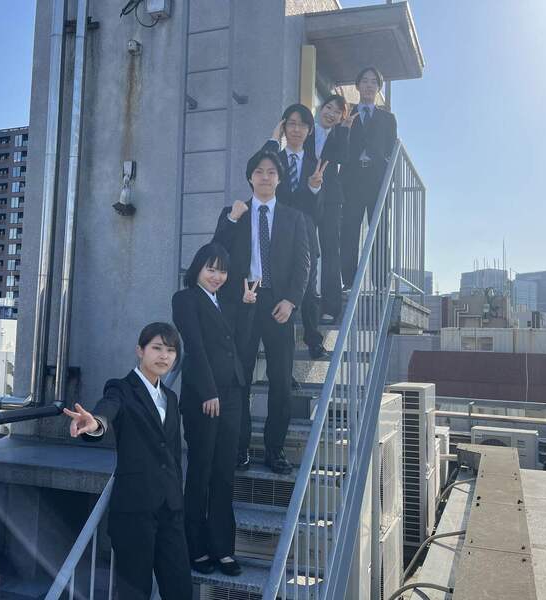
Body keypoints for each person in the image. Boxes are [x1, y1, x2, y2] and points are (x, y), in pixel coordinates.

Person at [63, 323, 191, 600]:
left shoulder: (170, 397)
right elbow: (108, 410)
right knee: (134, 591)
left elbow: (170, 453)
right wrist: (95, 423)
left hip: (170, 509)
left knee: (180, 588)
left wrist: (177, 501)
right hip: (135, 510)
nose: (164, 356)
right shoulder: (121, 388)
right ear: (140, 351)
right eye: (157, 348)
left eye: (171, 351)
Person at [213, 150, 310, 474]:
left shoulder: (294, 218)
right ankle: (239, 448)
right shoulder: (234, 213)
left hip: (278, 304)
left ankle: (274, 450)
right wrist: (231, 220)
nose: (265, 177)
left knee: (281, 380)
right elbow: (216, 253)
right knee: (239, 379)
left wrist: (291, 301)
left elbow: (303, 265)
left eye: (271, 172)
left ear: (279, 179)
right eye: (259, 171)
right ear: (250, 177)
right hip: (243, 301)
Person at [172, 242, 245, 577]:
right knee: (201, 472)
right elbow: (195, 346)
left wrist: (249, 305)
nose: (217, 276)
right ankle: (196, 548)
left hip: (232, 394)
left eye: (222, 271)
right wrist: (208, 390)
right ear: (198, 268)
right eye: (211, 269)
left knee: (224, 473)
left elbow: (235, 340)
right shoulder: (185, 298)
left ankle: (223, 549)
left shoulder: (224, 301)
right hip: (204, 396)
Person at [260, 104, 329, 359]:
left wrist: (313, 188)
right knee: (277, 288)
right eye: (291, 123)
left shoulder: (315, 164)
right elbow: (255, 173)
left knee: (309, 289)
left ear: (310, 130)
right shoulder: (273, 159)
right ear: (284, 127)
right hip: (276, 232)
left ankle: (314, 340)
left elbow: (319, 212)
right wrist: (272, 139)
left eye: (302, 124)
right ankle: (277, 346)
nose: (296, 129)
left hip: (306, 234)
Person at [341, 66, 398, 289]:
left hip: (377, 180)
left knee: (379, 232)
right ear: (357, 86)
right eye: (365, 80)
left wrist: (389, 178)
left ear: (378, 88)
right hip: (351, 179)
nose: (369, 85)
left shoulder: (388, 118)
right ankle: (349, 282)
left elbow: (392, 150)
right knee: (349, 230)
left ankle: (381, 283)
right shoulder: (347, 113)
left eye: (374, 82)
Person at [305, 95, 357, 322]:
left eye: (337, 112)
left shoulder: (338, 135)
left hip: (332, 198)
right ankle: (305, 300)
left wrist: (345, 130)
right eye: (329, 108)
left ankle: (331, 308)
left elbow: (343, 158)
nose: (331, 113)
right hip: (307, 195)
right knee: (305, 249)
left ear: (341, 117)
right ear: (321, 108)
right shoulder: (307, 131)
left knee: (330, 250)